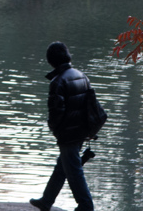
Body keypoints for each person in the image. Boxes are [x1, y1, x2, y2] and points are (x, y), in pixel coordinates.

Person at [31, 42, 95, 211]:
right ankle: (46, 200)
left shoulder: (58, 81)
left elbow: (56, 113)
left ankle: (86, 206)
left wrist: (55, 130)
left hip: (68, 133)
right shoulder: (81, 75)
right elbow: (90, 106)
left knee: (73, 170)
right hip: (81, 131)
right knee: (63, 166)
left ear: (50, 60)